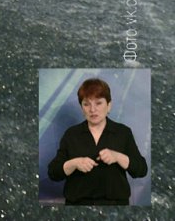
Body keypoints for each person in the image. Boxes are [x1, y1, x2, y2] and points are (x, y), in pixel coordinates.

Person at [47, 77, 148, 205]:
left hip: (115, 206)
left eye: (98, 103)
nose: (92, 109)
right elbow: (53, 173)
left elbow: (141, 170)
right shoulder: (71, 134)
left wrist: (118, 157)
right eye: (86, 104)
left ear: (109, 105)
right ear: (81, 107)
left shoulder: (123, 132)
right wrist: (74, 163)